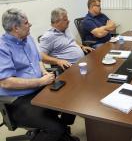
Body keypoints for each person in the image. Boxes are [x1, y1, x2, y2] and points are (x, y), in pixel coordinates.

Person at [0, 8, 79, 141]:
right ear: (15, 28)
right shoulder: (3, 47)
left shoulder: (28, 38)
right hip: (17, 100)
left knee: (72, 98)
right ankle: (58, 131)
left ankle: (61, 132)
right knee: (55, 129)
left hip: (39, 89)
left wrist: (44, 72)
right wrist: (40, 81)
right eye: (26, 23)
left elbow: (38, 60)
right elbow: (6, 82)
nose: (30, 24)